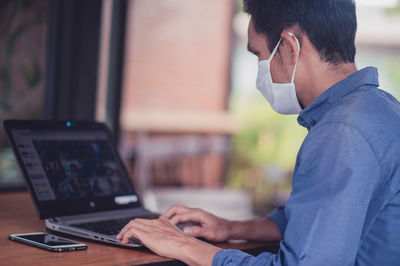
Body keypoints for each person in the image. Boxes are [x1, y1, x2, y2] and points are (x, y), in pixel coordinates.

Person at [117, 0, 400, 265]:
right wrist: (231, 228)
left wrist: (185, 246)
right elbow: (327, 219)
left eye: (259, 55)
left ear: (290, 47)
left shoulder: (342, 133)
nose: (260, 72)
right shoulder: (380, 109)